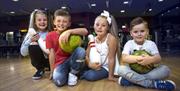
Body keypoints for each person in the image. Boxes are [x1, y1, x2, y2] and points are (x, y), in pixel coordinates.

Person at [117, 17, 176, 91]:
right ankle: (154, 84)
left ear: (147, 32)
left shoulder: (151, 44)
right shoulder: (129, 44)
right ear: (131, 33)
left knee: (165, 70)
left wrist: (150, 59)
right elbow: (124, 58)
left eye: (142, 31)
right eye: (135, 32)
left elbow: (158, 58)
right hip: (133, 71)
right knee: (120, 69)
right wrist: (139, 58)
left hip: (149, 72)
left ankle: (132, 81)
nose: (139, 34)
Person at [46, 9, 88, 87]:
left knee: (81, 51)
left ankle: (73, 73)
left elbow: (85, 31)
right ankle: (70, 73)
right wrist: (52, 71)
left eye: (64, 21)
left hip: (72, 60)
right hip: (60, 64)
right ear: (54, 22)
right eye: (58, 21)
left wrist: (69, 32)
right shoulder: (50, 35)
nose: (61, 23)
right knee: (59, 82)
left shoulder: (72, 33)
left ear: (69, 24)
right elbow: (51, 54)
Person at [81, 10, 121, 81]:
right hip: (92, 65)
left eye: (103, 25)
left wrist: (110, 76)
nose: (99, 27)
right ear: (93, 25)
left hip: (105, 68)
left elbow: (111, 58)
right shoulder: (92, 39)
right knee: (79, 61)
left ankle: (81, 74)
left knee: (91, 76)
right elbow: (86, 55)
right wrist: (89, 64)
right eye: (97, 24)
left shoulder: (111, 38)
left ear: (108, 28)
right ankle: (79, 72)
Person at [20, 9, 52, 80]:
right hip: (39, 62)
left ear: (48, 21)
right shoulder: (30, 35)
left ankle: (51, 67)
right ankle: (40, 69)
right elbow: (23, 53)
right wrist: (30, 41)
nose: (42, 22)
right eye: (39, 20)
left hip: (51, 60)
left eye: (45, 20)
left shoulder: (51, 33)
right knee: (33, 44)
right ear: (35, 22)